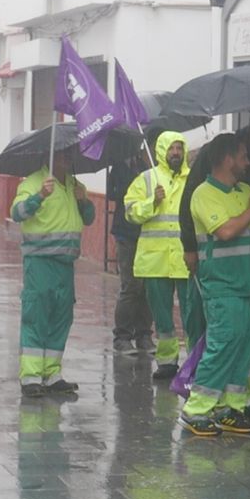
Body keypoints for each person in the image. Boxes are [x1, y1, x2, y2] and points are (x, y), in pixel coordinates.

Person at [180, 133, 250, 437]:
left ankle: (230, 407)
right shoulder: (203, 194)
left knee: (241, 348)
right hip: (222, 285)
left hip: (248, 286)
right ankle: (197, 408)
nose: (248, 162)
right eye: (244, 156)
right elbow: (225, 231)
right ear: (227, 158)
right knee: (221, 347)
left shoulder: (245, 191)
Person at [11, 147, 95, 398]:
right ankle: (31, 377)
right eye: (63, 154)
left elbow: (89, 218)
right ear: (50, 156)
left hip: (66, 263)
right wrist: (39, 196)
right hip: (40, 261)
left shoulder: (74, 185)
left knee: (61, 317)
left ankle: (52, 374)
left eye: (70, 155)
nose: (68, 159)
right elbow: (17, 213)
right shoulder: (34, 182)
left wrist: (84, 201)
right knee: (37, 315)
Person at [125, 130, 192, 378]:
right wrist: (152, 202)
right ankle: (167, 362)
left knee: (191, 315)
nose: (175, 153)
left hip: (185, 259)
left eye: (179, 148)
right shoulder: (146, 179)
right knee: (162, 317)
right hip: (156, 260)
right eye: (171, 148)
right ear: (161, 152)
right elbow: (130, 212)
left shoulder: (192, 179)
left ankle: (194, 361)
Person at [107, 143, 152, 356]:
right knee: (130, 285)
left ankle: (144, 334)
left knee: (147, 286)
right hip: (126, 233)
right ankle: (122, 337)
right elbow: (113, 194)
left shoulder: (152, 169)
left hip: (148, 233)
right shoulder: (120, 166)